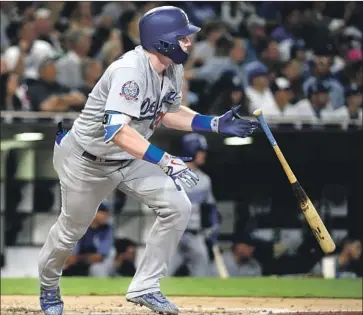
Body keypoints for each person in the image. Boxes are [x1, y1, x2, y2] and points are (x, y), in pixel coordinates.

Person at [38, 6, 258, 315]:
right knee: (69, 233)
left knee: (178, 206)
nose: (189, 43)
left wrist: (214, 123)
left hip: (126, 158)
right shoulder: (130, 70)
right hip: (86, 161)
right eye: (183, 37)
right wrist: (166, 160)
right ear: (163, 40)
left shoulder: (171, 67)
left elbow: (167, 112)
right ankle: (48, 286)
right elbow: (116, 130)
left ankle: (145, 285)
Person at [168, 133, 219, 277]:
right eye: (200, 151)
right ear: (191, 150)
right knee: (161, 276)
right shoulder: (172, 174)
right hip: (172, 234)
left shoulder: (204, 179)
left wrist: (212, 229)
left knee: (202, 274)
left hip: (194, 234)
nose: (203, 155)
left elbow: (210, 208)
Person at [62, 202, 114, 277]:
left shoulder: (106, 229)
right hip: (78, 263)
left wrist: (79, 258)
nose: (107, 216)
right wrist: (81, 259)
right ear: (94, 213)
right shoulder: (79, 227)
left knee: (97, 268)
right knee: (63, 267)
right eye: (104, 213)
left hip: (98, 264)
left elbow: (100, 257)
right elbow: (70, 258)